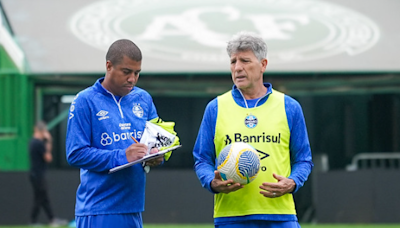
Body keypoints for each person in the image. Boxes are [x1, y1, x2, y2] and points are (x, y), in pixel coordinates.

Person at [193, 31, 314, 228]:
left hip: (280, 216)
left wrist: (292, 182)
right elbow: (202, 159)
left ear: (263, 65)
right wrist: (211, 182)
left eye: (245, 61)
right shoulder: (215, 108)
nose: (238, 68)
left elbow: (304, 160)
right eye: (233, 62)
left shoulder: (289, 106)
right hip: (230, 217)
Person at [66, 39, 177, 228]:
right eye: (126, 72)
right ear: (109, 66)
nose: (132, 79)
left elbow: (157, 141)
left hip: (133, 208)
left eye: (137, 73)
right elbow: (75, 153)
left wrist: (157, 157)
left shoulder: (143, 98)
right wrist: (123, 156)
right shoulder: (85, 100)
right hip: (98, 209)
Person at [29, 121, 67, 227]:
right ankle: (36, 221)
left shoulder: (32, 142)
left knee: (42, 198)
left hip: (35, 174)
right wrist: (49, 141)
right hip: (38, 175)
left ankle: (49, 219)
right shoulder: (39, 143)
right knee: (41, 198)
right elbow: (48, 157)